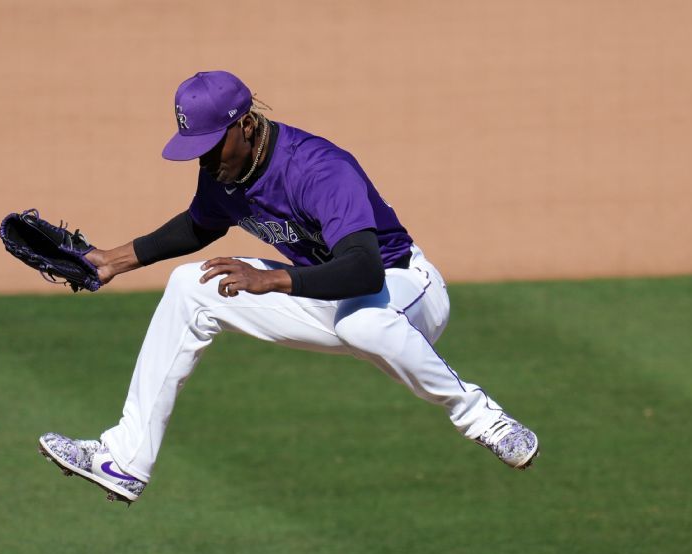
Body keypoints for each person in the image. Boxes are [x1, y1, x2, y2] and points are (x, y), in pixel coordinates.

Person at [37, 70, 538, 504]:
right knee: (191, 286)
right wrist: (111, 262)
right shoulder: (224, 170)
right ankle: (124, 459)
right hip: (326, 298)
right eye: (197, 151)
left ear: (246, 126)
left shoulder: (320, 168)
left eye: (212, 147)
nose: (206, 162)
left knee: (362, 319)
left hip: (404, 291)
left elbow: (364, 269)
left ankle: (481, 417)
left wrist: (272, 278)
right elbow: (199, 225)